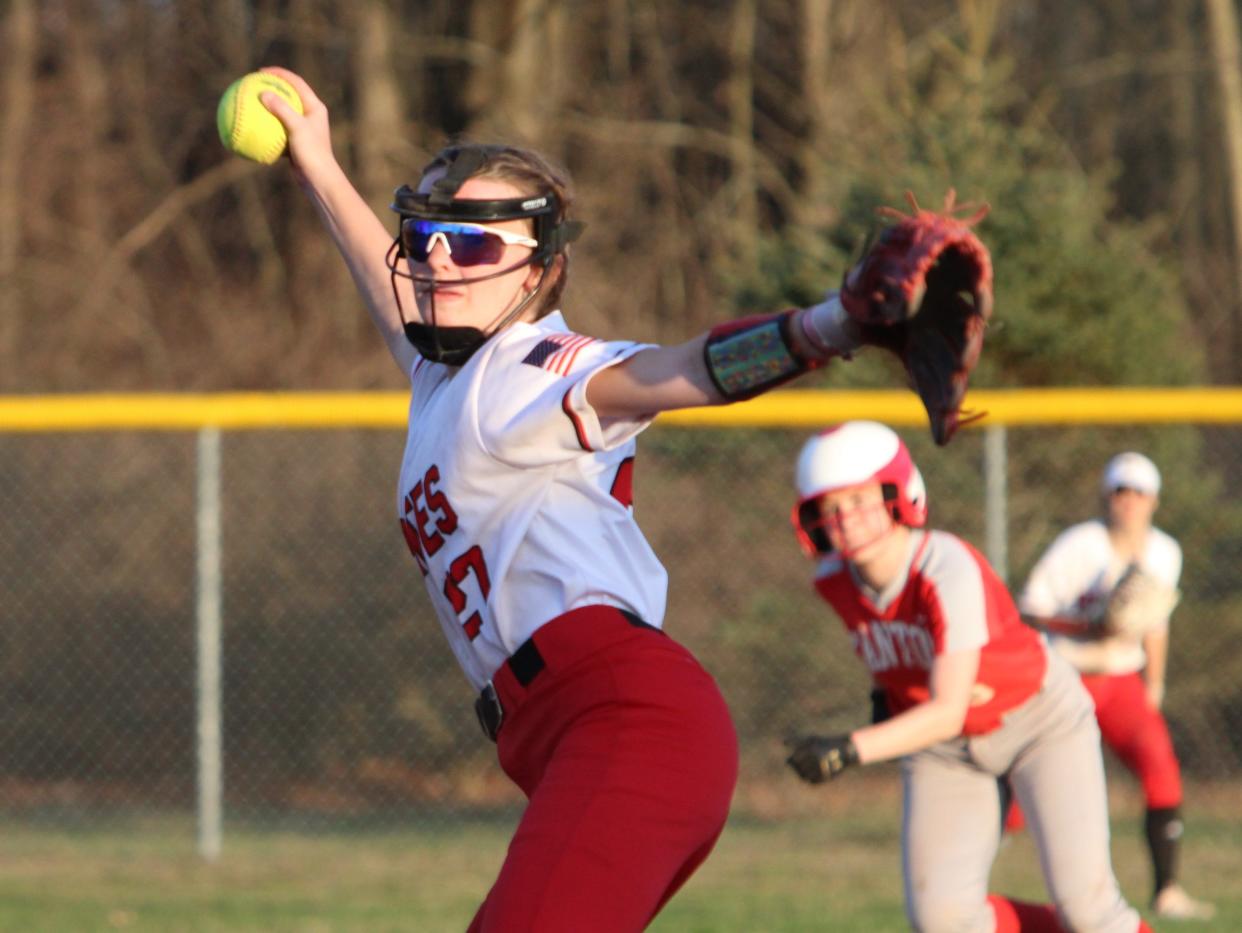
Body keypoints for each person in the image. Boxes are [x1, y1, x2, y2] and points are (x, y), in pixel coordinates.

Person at [257, 66, 886, 932]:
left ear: (537, 271)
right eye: (431, 234)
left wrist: (825, 328)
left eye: (473, 243)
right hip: (567, 731)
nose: (439, 255)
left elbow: (677, 371)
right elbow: (385, 290)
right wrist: (320, 167)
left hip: (625, 716)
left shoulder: (525, 369)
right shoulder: (451, 375)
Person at [785, 421, 1151, 933]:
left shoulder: (944, 564)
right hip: (947, 750)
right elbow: (901, 660)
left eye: (861, 499)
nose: (847, 519)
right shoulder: (833, 582)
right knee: (943, 920)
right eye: (831, 508)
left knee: (1089, 912)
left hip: (1038, 723)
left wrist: (849, 747)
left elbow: (948, 707)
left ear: (900, 494)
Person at [1017, 452, 1215, 921]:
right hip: (1070, 677)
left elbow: (1156, 624)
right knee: (1030, 788)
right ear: (1108, 497)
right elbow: (1029, 606)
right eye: (1120, 492)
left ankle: (1167, 891)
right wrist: (1085, 626)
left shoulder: (1166, 551)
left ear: (1154, 501)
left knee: (1161, 769)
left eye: (1138, 493)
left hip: (1124, 678)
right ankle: (974, 875)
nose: (1129, 502)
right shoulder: (1079, 545)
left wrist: (1155, 685)